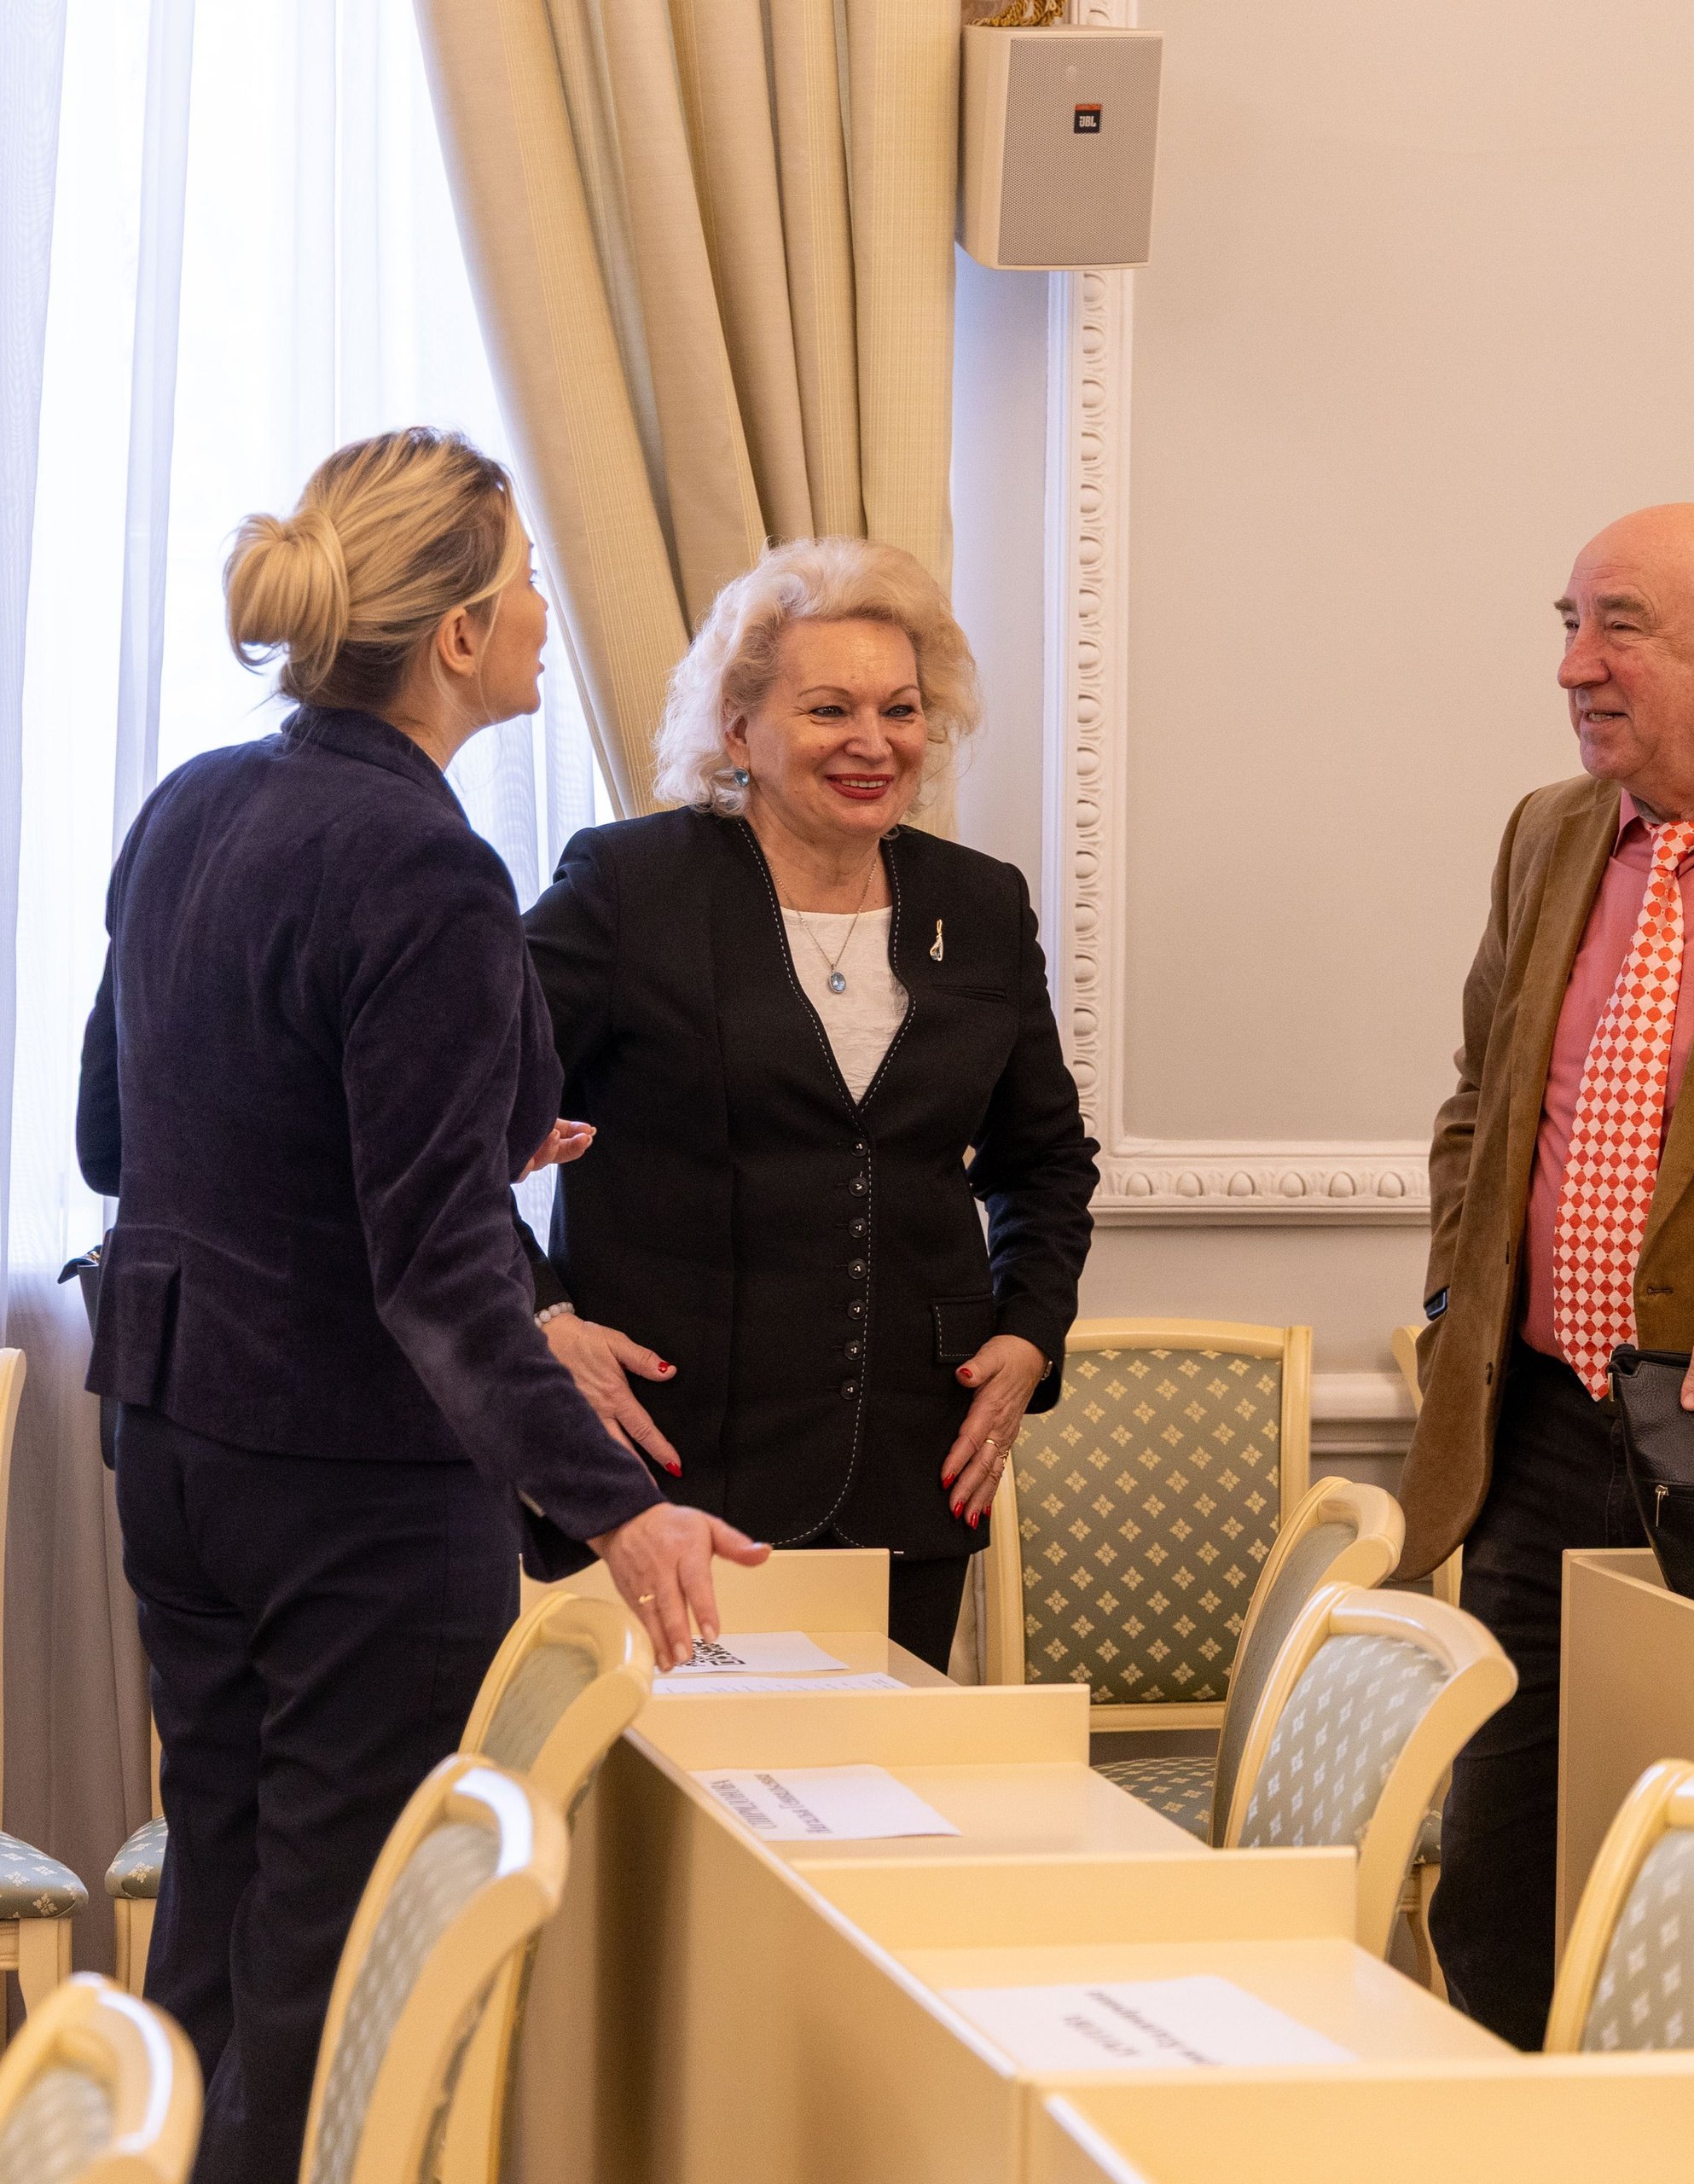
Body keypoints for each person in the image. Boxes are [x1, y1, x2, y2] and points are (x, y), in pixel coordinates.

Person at [74, 427, 766, 2184]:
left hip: (170, 1438)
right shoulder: (426, 868)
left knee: (220, 1906)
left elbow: (114, 1130)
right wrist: (621, 1504)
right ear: (454, 634)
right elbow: (437, 1271)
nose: (545, 607)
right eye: (526, 574)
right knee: (331, 1955)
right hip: (346, 1485)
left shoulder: (192, 807)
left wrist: (449, 1126)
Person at [1405, 502, 1694, 2048]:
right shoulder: (1550, 832)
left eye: (1619, 629)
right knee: (1501, 1868)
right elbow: (1481, 1096)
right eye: (1569, 624)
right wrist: (1463, 1296)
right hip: (1533, 1440)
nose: (1577, 666)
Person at [517, 537, 1100, 1670]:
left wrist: (1031, 1333)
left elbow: (1045, 1162)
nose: (873, 743)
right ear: (739, 729)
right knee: (689, 1828)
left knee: (881, 1819)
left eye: (902, 709)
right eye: (830, 709)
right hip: (671, 1473)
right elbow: (446, 1123)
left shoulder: (978, 907)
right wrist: (540, 1321)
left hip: (913, 1466)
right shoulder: (629, 889)